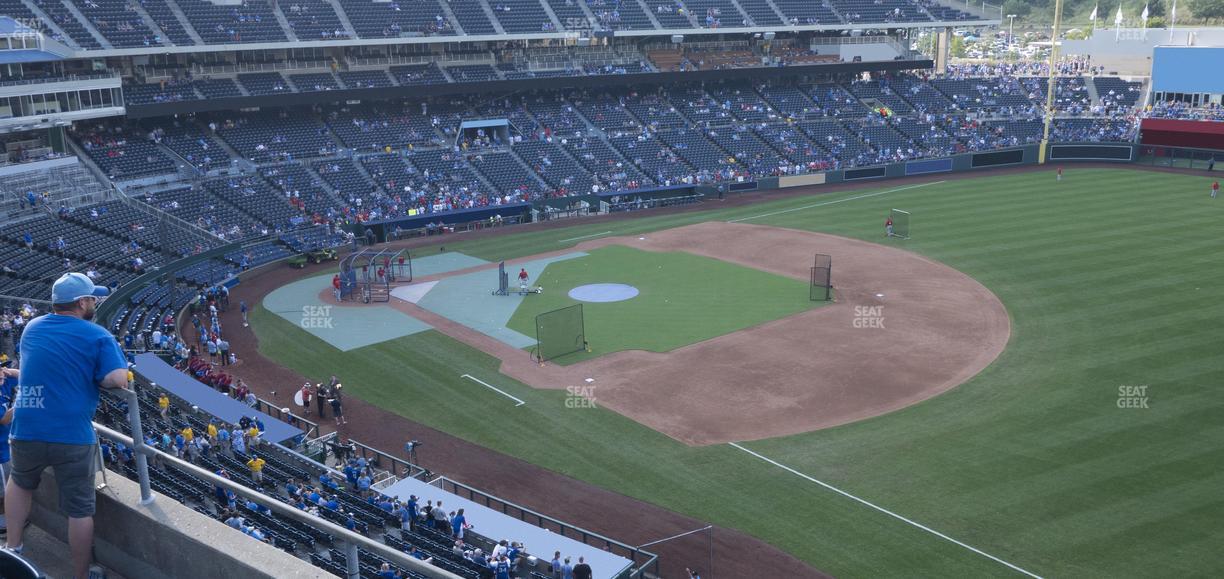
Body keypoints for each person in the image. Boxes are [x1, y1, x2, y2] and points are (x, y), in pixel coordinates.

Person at [6, 273, 127, 579]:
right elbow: (116, 380)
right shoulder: (98, 335)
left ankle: (13, 548)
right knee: (79, 510)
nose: (96, 302)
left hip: (27, 424)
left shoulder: (31, 328)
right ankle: (80, 575)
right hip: (71, 433)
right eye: (92, 298)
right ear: (81, 302)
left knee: (19, 483)